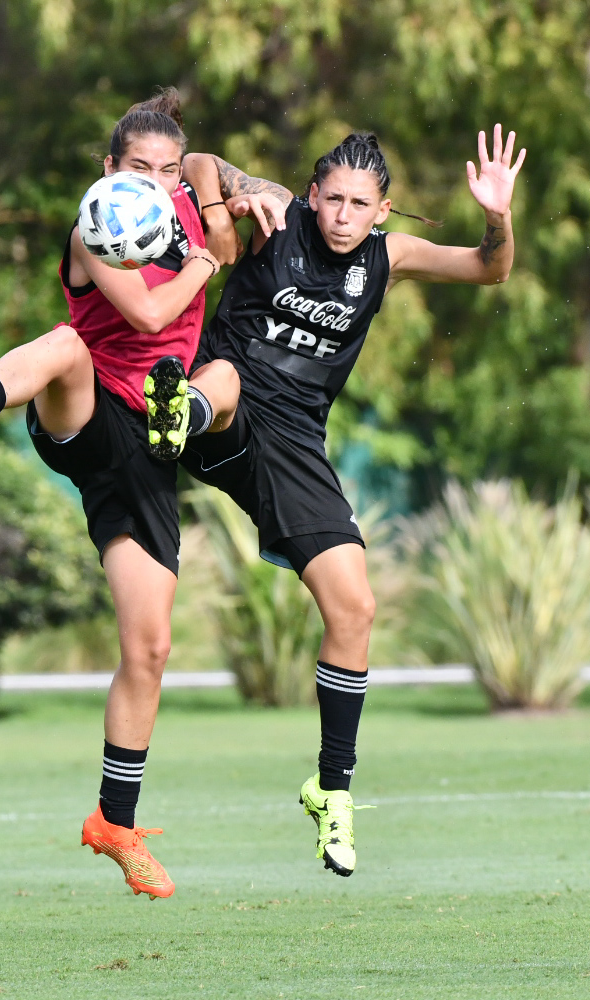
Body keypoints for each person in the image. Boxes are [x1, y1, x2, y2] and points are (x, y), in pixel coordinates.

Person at [0, 89, 241, 900]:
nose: (156, 183)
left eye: (167, 171)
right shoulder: (97, 229)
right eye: (139, 168)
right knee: (65, 342)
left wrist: (236, 187)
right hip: (87, 412)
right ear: (108, 169)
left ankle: (113, 823)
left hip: (147, 453)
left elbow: (210, 179)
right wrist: (212, 253)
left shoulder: (187, 190)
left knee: (150, 647)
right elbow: (155, 304)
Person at [182, 126, 527, 877]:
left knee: (355, 608)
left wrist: (498, 217)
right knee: (223, 384)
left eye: (358, 204)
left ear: (384, 210)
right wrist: (223, 203)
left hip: (296, 449)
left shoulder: (388, 256)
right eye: (331, 198)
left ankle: (331, 792)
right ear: (312, 195)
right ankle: (172, 415)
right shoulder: (279, 213)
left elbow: (489, 269)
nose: (342, 215)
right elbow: (198, 158)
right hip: (223, 408)